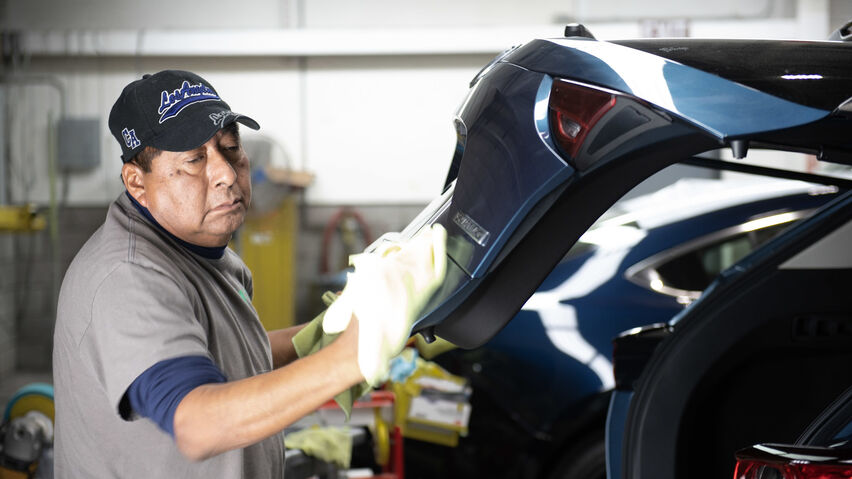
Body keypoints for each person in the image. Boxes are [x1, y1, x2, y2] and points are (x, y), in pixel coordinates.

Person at [51, 70, 387, 478]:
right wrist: (345, 360)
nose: (226, 173)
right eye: (194, 160)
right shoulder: (128, 277)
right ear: (137, 183)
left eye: (230, 149)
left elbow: (224, 354)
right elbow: (197, 423)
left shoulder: (204, 253)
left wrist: (321, 335)